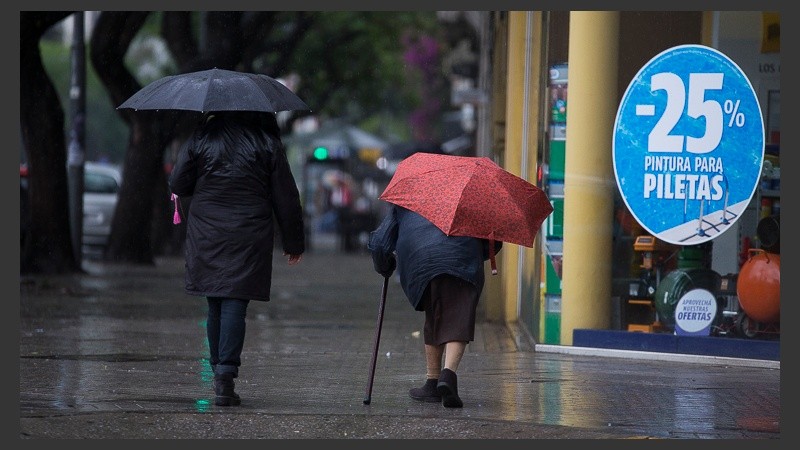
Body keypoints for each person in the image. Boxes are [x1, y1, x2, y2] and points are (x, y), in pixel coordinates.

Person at [169, 111, 305, 407]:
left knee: (215, 300)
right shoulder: (266, 142)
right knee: (235, 301)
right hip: (248, 231)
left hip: (207, 231)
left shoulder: (203, 136)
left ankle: (219, 371)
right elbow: (285, 196)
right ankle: (225, 375)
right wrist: (294, 241)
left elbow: (178, 182)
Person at [368, 205, 500, 408]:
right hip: (462, 258)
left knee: (434, 315)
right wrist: (473, 251)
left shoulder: (409, 198)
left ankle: (432, 382)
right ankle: (448, 375)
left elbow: (379, 243)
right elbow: (493, 241)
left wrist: (384, 266)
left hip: (421, 261)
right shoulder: (471, 200)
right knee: (458, 316)